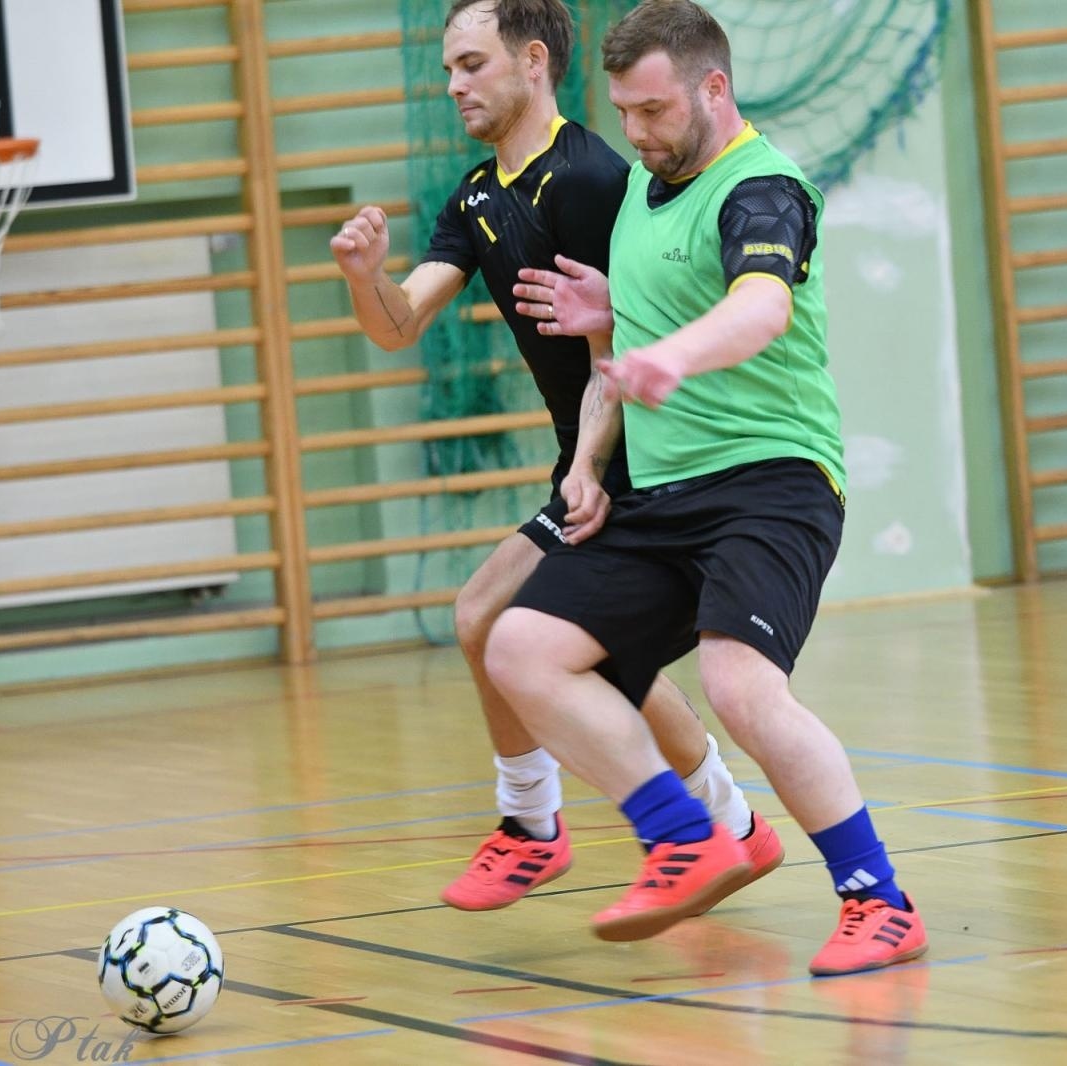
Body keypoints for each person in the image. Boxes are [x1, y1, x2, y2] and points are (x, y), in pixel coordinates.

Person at [485, 0, 926, 976]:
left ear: (712, 87)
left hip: (773, 482)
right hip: (665, 495)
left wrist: (670, 356)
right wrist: (589, 460)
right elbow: (632, 332)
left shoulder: (761, 187)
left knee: (737, 683)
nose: (636, 134)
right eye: (625, 114)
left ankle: (877, 899)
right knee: (521, 645)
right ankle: (682, 834)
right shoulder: (646, 193)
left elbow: (759, 306)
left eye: (653, 111)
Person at [329, 0, 781, 910]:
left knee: (491, 618)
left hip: (638, 454)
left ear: (532, 61)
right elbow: (398, 327)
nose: (453, 84)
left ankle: (535, 823)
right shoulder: (478, 194)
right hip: (589, 454)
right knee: (591, 658)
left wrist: (592, 466)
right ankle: (728, 824)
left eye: (470, 63)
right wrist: (364, 277)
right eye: (449, 68)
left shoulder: (588, 179)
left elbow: (618, 336)